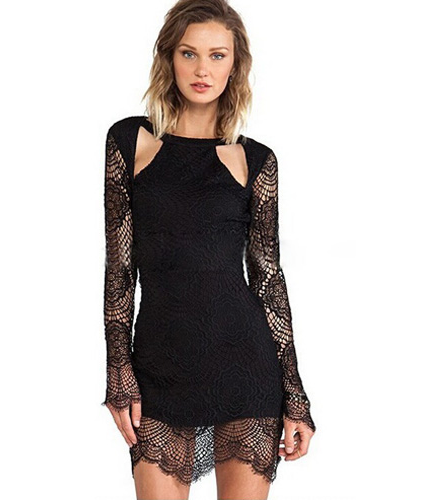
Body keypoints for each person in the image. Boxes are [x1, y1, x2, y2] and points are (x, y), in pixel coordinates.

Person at [101, 1, 316, 498]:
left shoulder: (254, 159)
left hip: (245, 368)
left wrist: (295, 395)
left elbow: (268, 278)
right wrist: (118, 369)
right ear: (168, 58)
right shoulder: (130, 141)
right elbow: (120, 269)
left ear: (235, 64)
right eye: (189, 53)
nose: (203, 69)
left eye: (218, 55)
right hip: (159, 367)